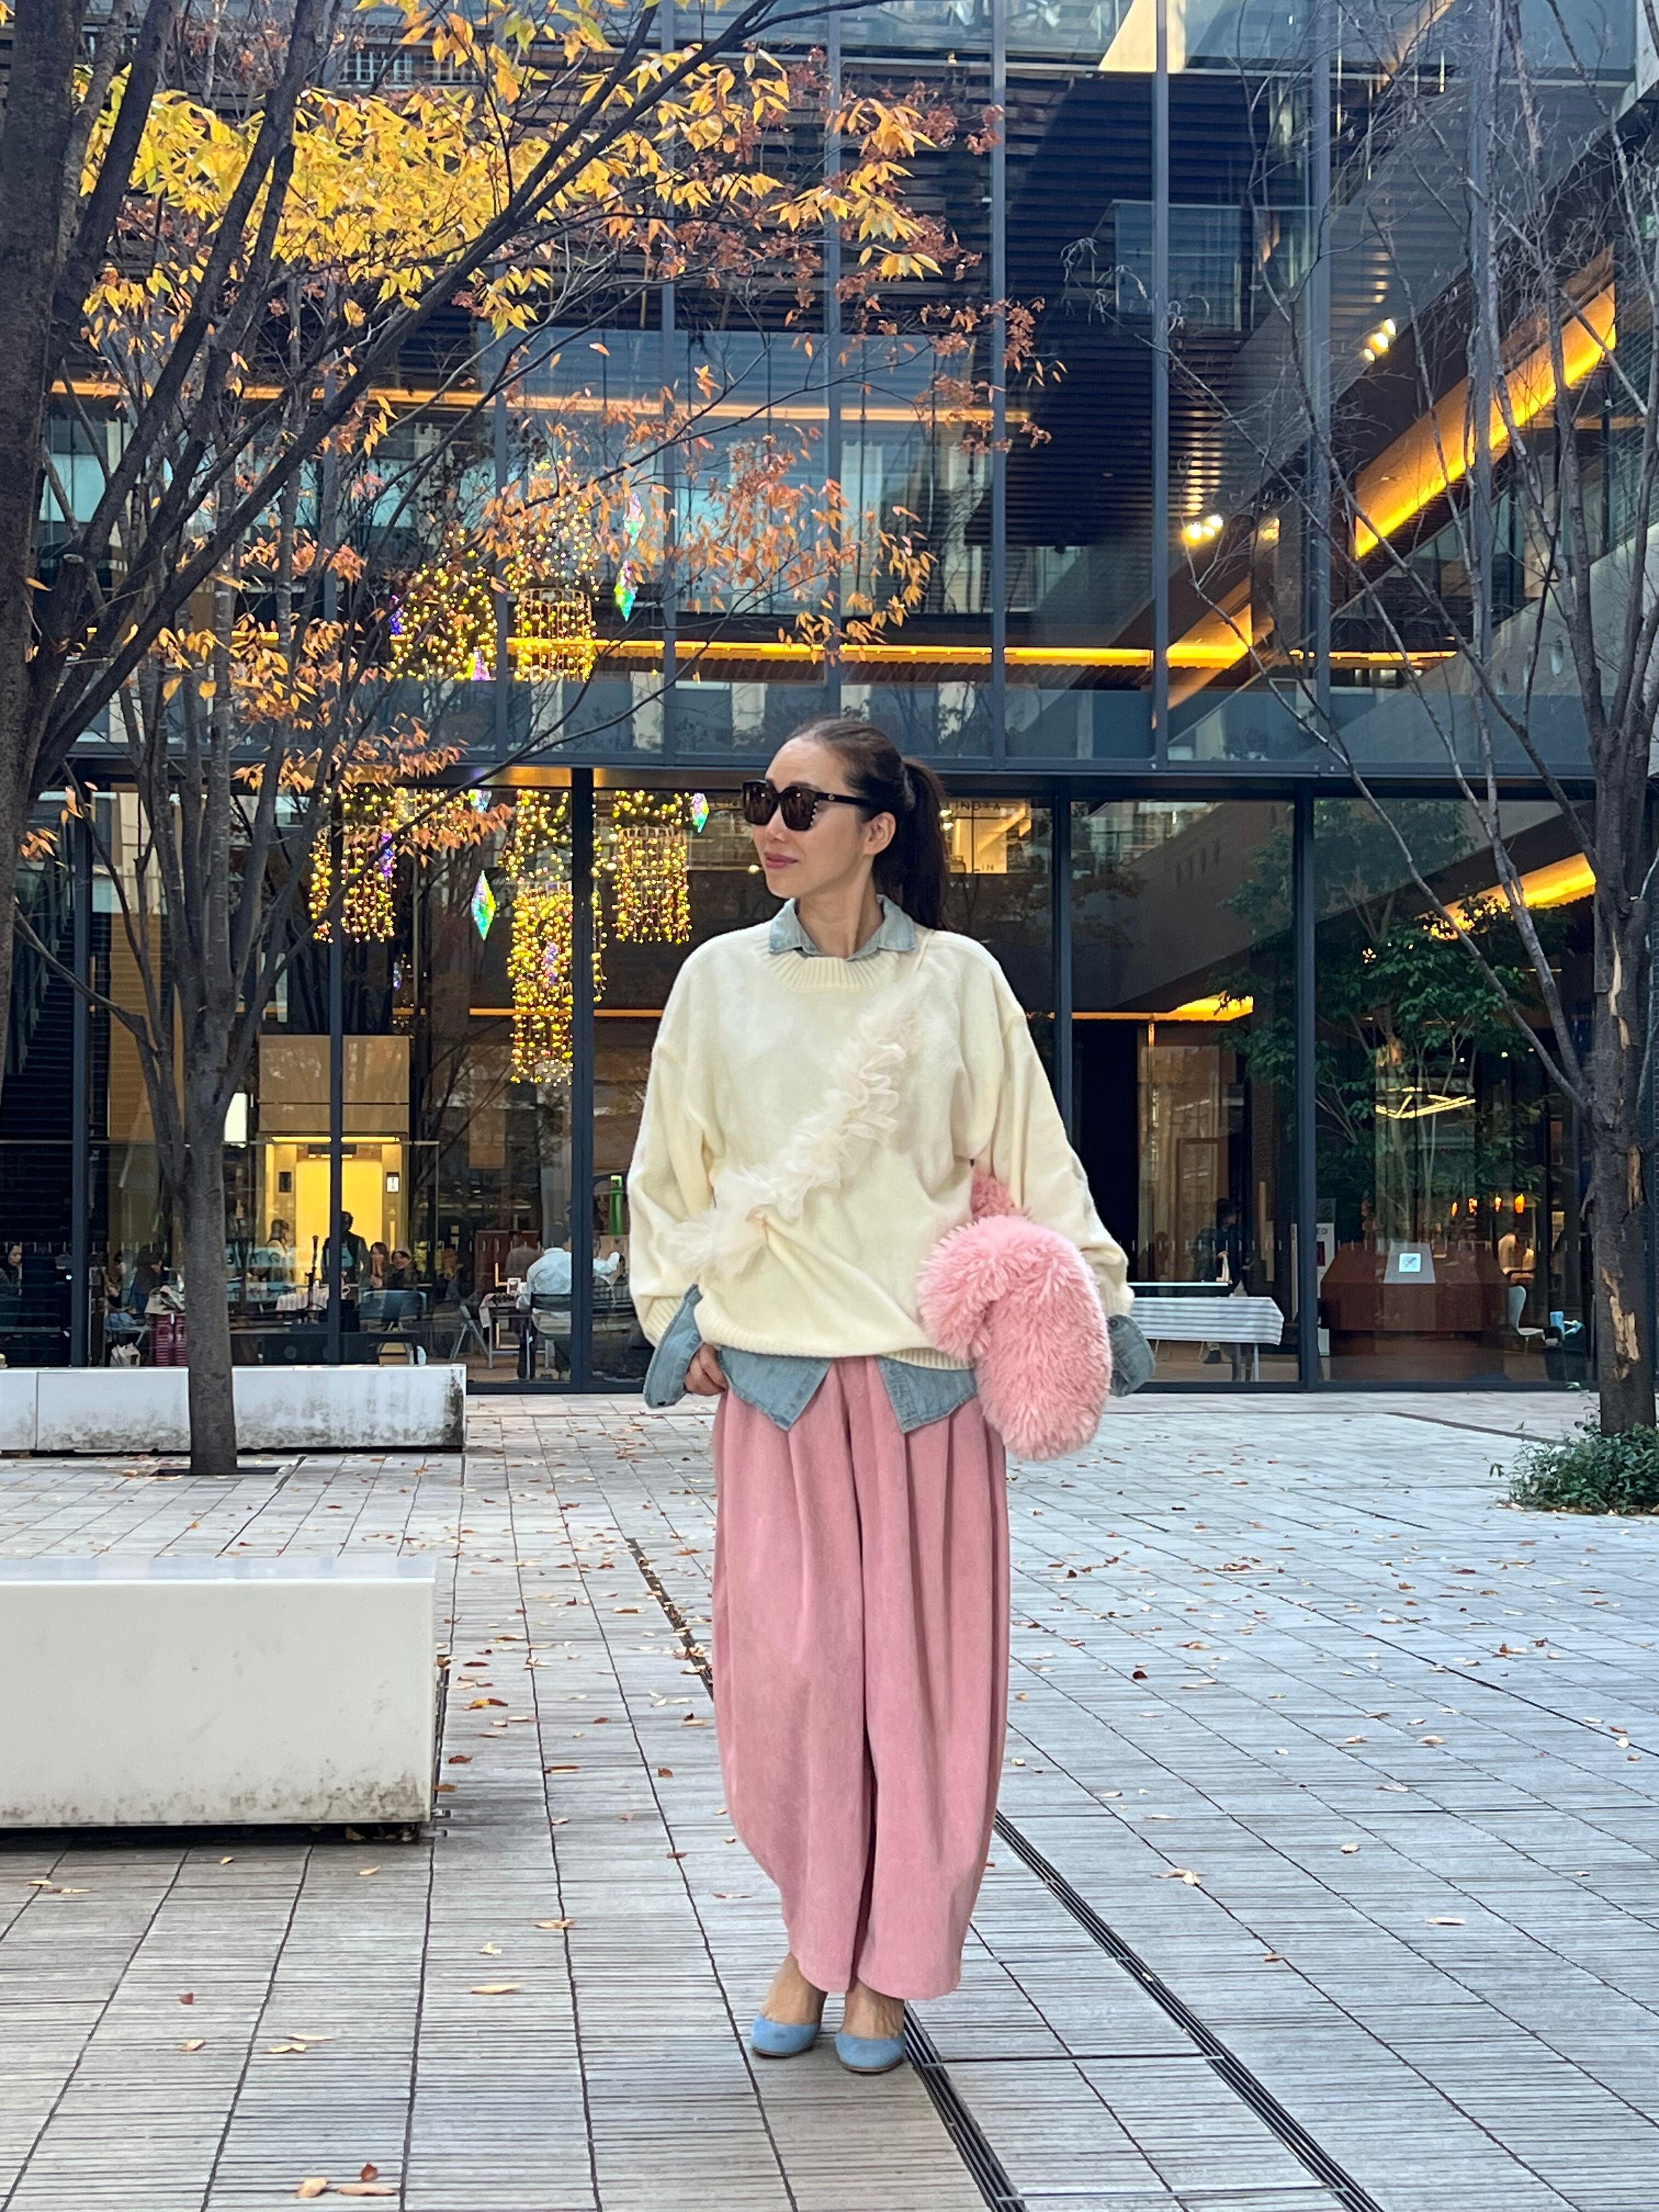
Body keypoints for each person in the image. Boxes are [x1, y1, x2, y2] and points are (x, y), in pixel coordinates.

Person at [627, 716, 1130, 2075]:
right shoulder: (717, 983)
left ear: (879, 828)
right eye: (760, 799)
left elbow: (1032, 1157)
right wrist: (678, 1315)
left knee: (920, 1695)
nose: (770, 825)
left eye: (802, 803)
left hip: (926, 1389)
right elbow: (666, 1176)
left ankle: (883, 1969)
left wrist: (1098, 1298)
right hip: (777, 1386)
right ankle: (812, 1936)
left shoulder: (960, 981)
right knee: (787, 1689)